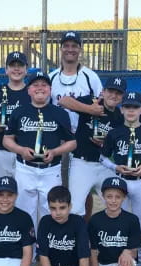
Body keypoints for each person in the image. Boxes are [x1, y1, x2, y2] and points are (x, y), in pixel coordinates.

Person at [3, 71, 76, 236]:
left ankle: (47, 248)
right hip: (25, 168)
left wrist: (55, 151)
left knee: (50, 211)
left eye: (44, 85)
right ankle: (28, 249)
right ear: (28, 90)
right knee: (24, 210)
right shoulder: (19, 112)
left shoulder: (60, 113)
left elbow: (72, 142)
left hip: (51, 169)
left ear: (50, 89)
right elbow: (6, 140)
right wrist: (21, 150)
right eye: (35, 85)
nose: (40, 88)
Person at [100, 91, 141, 266]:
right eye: (127, 106)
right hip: (121, 181)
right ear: (122, 109)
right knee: (122, 223)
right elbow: (102, 158)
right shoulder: (115, 133)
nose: (131, 110)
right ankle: (121, 260)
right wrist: (115, 168)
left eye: (135, 107)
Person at [49, 30, 104, 217]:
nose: (70, 49)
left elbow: (99, 108)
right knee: (61, 186)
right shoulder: (52, 77)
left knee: (83, 188)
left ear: (79, 49)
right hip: (58, 139)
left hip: (84, 139)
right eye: (66, 45)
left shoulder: (90, 77)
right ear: (61, 48)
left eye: (74, 46)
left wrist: (77, 106)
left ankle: (84, 226)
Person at [68, 76, 125, 220]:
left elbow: (118, 145)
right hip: (82, 163)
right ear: (103, 92)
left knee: (117, 206)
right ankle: (79, 241)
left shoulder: (119, 116)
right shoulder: (92, 101)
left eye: (118, 93)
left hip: (105, 165)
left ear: (122, 97)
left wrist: (106, 143)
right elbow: (64, 101)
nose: (114, 95)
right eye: (111, 91)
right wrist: (89, 109)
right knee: (75, 208)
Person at [89, 177, 141, 266]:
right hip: (104, 265)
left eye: (118, 197)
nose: (113, 200)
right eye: (109, 196)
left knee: (130, 263)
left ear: (124, 197)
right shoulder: (95, 220)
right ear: (103, 196)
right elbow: (93, 254)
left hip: (122, 264)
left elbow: (135, 250)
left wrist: (127, 251)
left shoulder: (131, 219)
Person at [37, 186, 90, 266]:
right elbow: (43, 256)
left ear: (70, 206)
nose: (58, 213)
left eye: (62, 208)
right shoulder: (45, 222)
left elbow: (83, 256)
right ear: (48, 207)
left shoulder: (78, 223)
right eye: (53, 208)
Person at [0, 51, 30, 179]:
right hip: (1, 149)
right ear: (6, 70)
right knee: (3, 190)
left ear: (26, 70)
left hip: (26, 149)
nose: (16, 69)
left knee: (25, 191)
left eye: (20, 65)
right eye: (12, 65)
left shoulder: (32, 93)